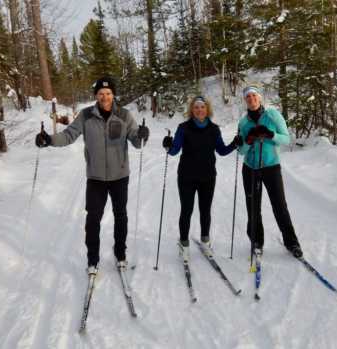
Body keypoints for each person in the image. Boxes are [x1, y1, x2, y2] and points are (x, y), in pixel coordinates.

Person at [35, 77, 150, 274]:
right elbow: (69, 135)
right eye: (101, 94)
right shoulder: (86, 115)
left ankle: (120, 254)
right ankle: (92, 259)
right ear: (96, 96)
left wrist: (142, 135)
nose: (105, 97)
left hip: (120, 176)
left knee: (120, 215)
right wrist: (49, 140)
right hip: (96, 177)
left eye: (108, 93)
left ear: (113, 95)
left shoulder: (124, 115)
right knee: (93, 219)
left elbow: (136, 141)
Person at [163, 96, 242, 261]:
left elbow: (221, 150)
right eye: (196, 107)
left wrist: (235, 144)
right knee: (187, 210)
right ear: (192, 109)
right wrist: (168, 145)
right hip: (186, 176)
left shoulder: (214, 129)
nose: (199, 110)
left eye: (202, 107)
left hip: (208, 177)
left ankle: (205, 240)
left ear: (207, 110)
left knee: (205, 210)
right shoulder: (183, 128)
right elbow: (174, 151)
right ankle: (184, 244)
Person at [237, 86, 303, 258]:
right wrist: (248, 140)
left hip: (271, 167)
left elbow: (286, 139)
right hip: (250, 168)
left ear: (259, 98)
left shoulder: (273, 115)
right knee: (253, 207)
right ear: (245, 101)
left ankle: (292, 243)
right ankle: (256, 242)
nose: (251, 99)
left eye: (253, 95)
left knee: (280, 205)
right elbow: (241, 151)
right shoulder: (243, 123)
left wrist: (270, 134)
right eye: (248, 97)